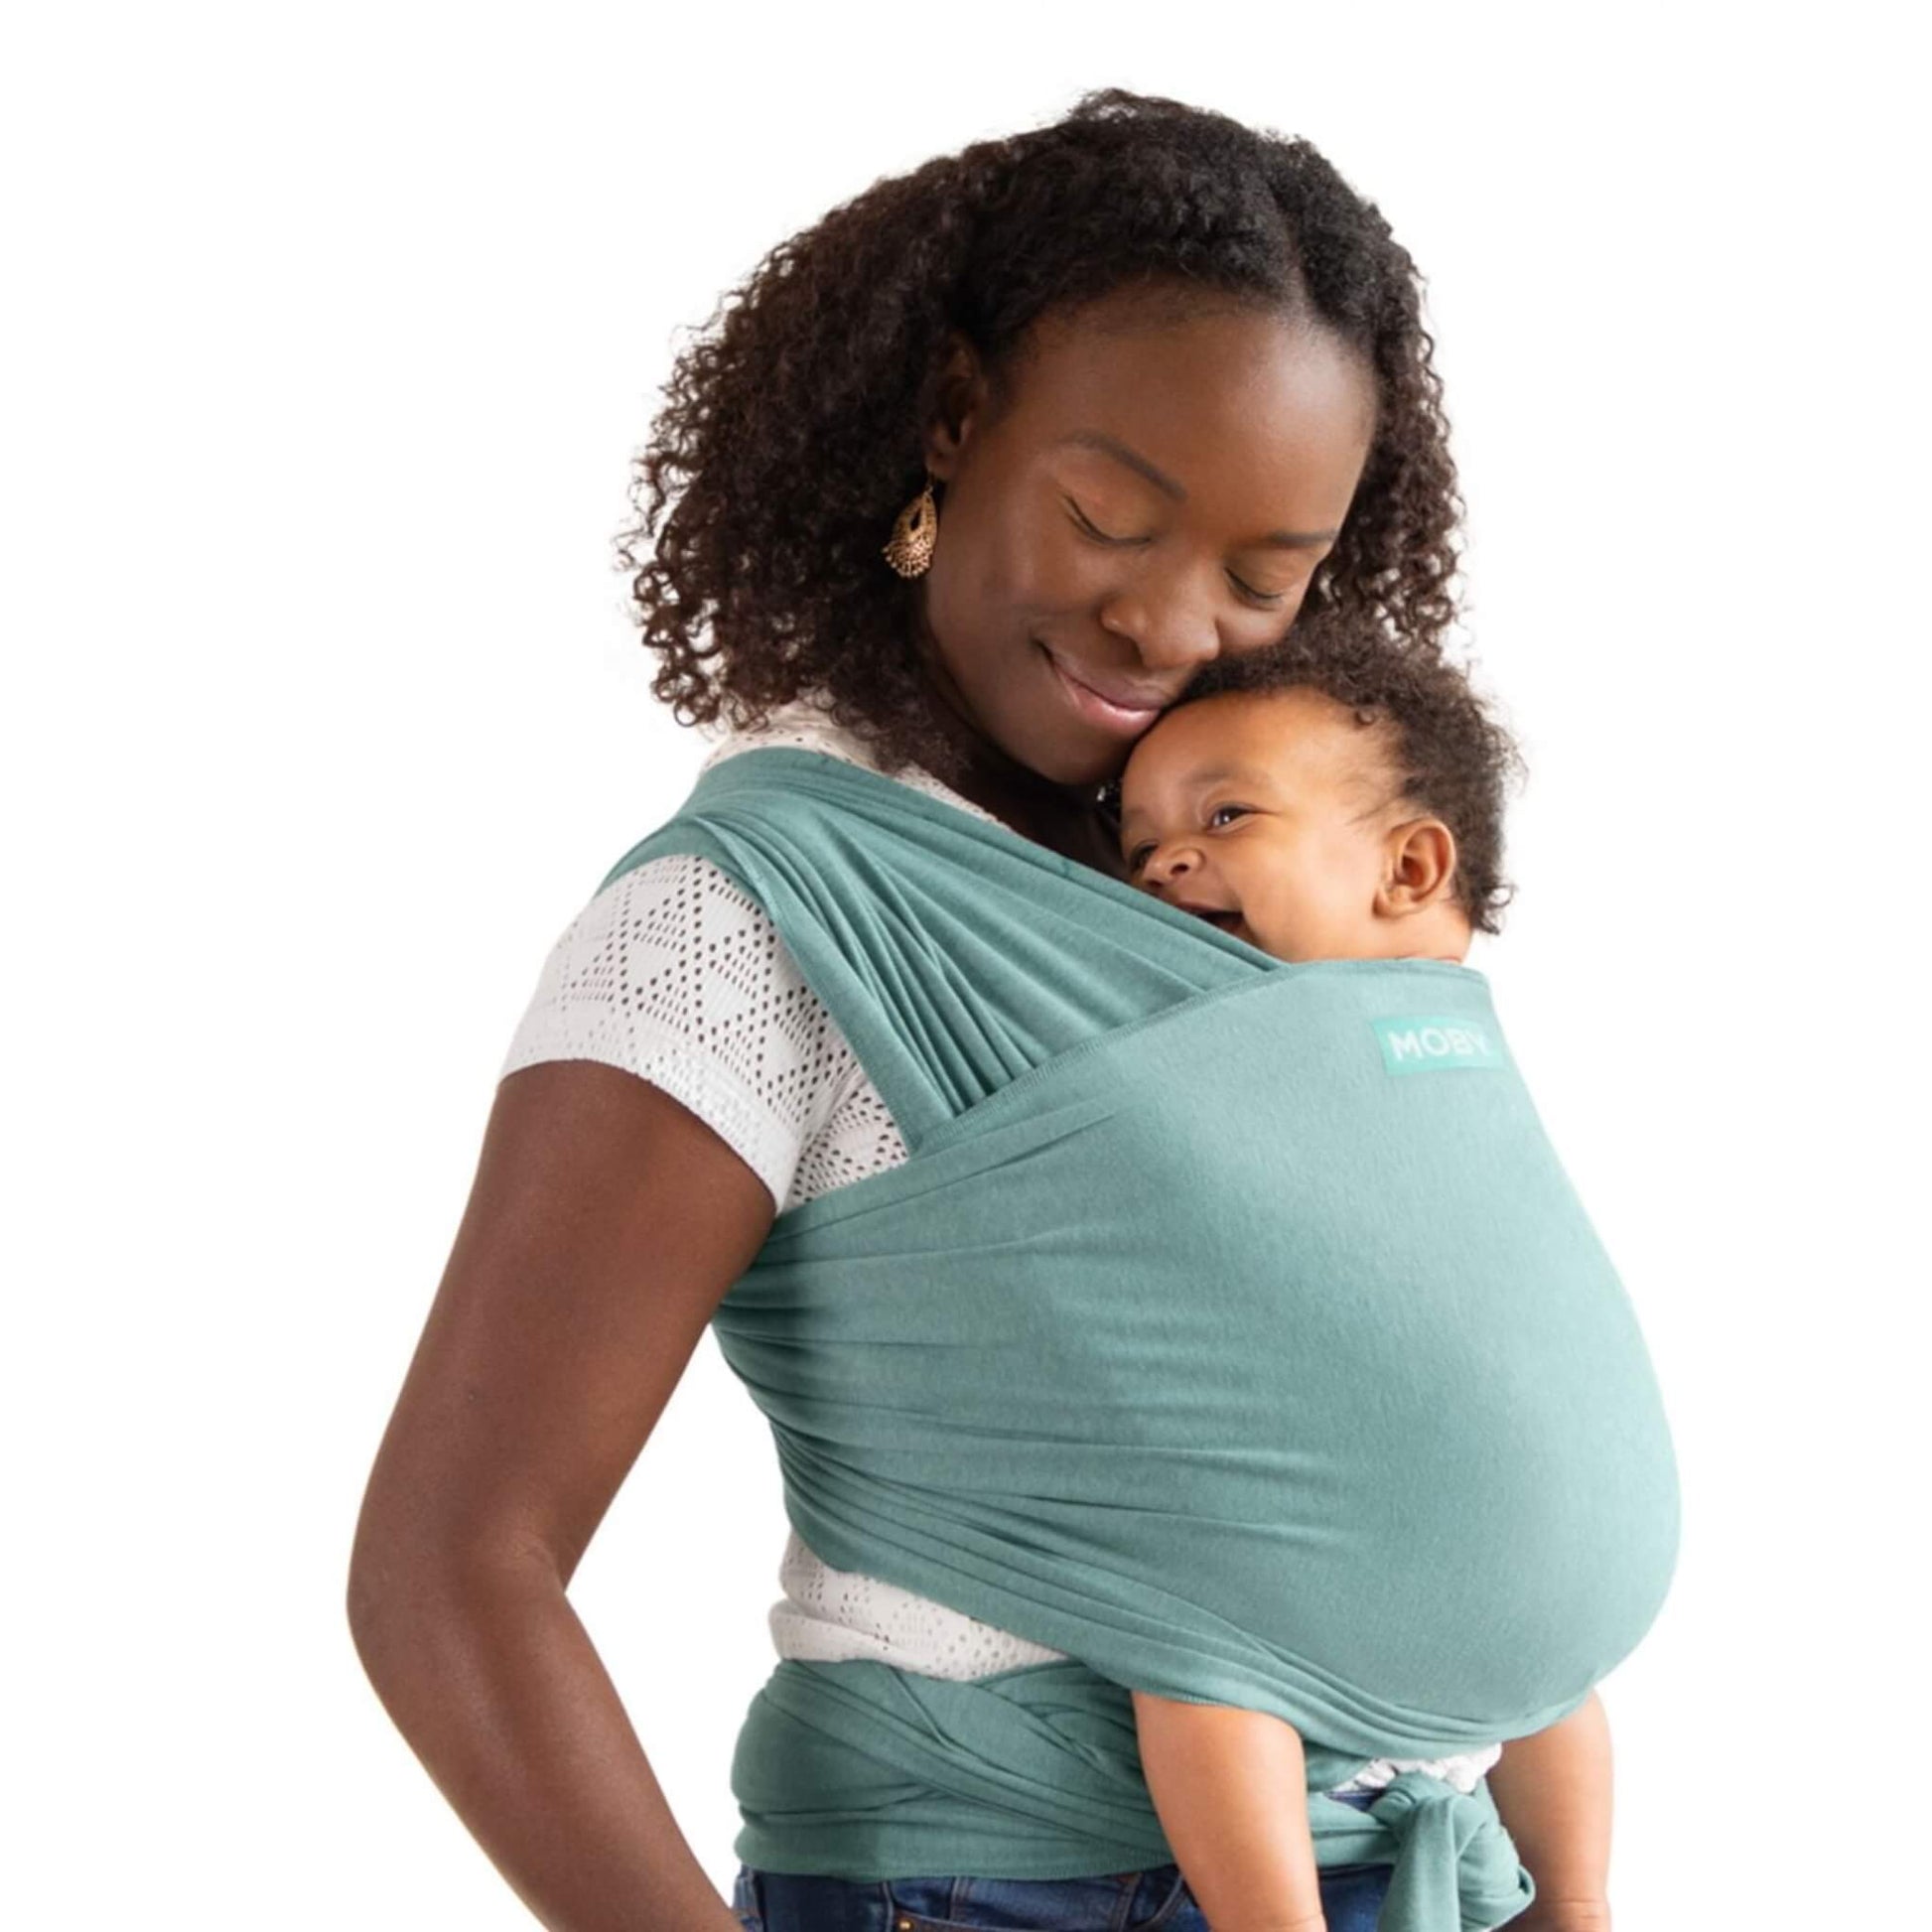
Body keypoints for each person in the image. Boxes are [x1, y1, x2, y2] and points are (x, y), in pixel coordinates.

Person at [346, 86, 1583, 1932]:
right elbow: (453, 1569)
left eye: (1266, 576)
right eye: (1108, 518)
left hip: (1420, 1868)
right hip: (993, 1884)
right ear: (949, 421)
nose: (1172, 627)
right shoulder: (746, 921)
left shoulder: (1248, 873)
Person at [1100, 629, 1617, 1932]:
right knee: (1205, 1652)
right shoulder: (1409, 1039)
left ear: (1408, 866)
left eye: (1225, 815)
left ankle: (1576, 1897)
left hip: (1481, 1551)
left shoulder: (1403, 1042)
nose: (1164, 856)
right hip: (1335, 1536)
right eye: (1138, 840)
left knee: (1533, 1666)